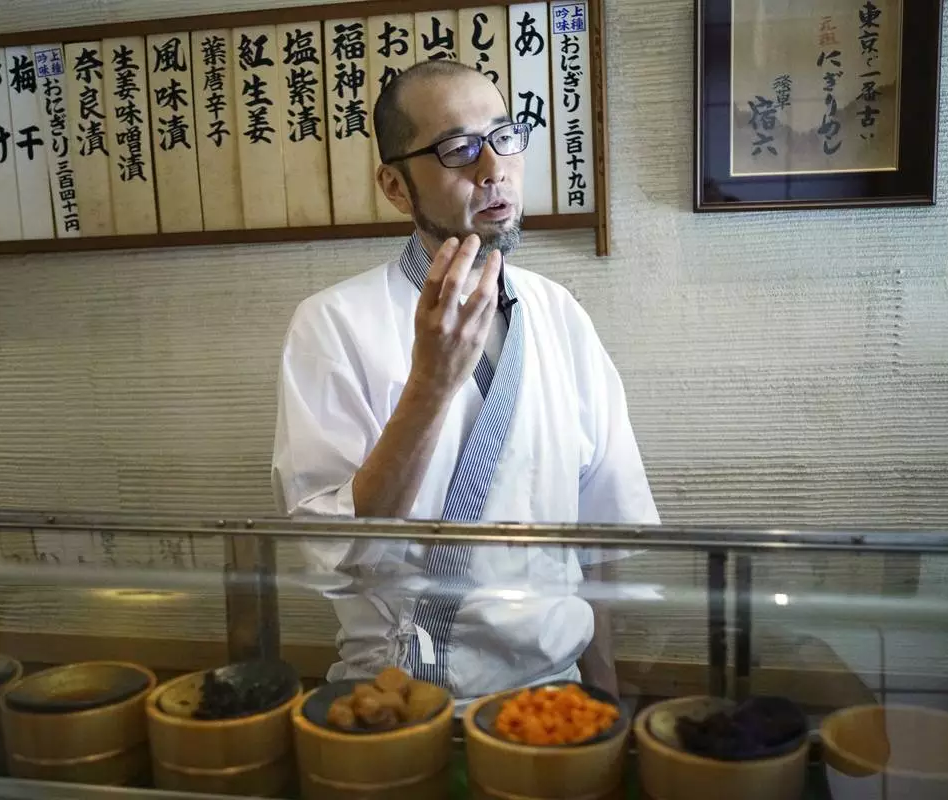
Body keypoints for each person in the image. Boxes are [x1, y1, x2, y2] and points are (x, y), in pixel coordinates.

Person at [271, 60, 658, 706]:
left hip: (553, 697)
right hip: (400, 697)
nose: (494, 168)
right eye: (458, 149)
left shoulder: (559, 313)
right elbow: (332, 550)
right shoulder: (333, 323)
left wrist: (605, 690)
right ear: (396, 187)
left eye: (504, 136)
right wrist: (431, 383)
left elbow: (599, 533)